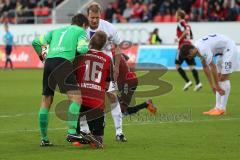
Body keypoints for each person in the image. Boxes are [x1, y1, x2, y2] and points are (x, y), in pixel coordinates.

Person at [32, 13, 89, 146]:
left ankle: (44, 139)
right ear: (84, 25)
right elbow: (82, 48)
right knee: (76, 99)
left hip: (49, 64)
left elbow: (35, 42)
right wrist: (84, 48)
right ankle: (72, 132)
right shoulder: (81, 31)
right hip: (63, 63)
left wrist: (41, 55)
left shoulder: (55, 30)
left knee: (46, 101)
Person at [81, 2, 126, 142]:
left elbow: (118, 48)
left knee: (112, 96)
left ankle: (119, 132)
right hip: (88, 68)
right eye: (91, 17)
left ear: (100, 15)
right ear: (87, 16)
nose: (94, 20)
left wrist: (117, 67)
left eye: (96, 17)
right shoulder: (81, 30)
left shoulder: (109, 28)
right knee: (84, 98)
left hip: (106, 68)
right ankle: (84, 130)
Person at [180, 33, 240, 116]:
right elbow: (205, 67)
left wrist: (217, 86)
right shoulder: (198, 49)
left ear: (191, 50)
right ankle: (217, 107)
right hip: (222, 52)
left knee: (223, 78)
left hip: (229, 49)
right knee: (219, 78)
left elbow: (212, 67)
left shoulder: (203, 49)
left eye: (189, 56)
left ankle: (222, 108)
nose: (190, 58)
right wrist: (212, 85)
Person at [75, 31, 112, 148]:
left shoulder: (81, 56)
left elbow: (73, 77)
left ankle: (78, 135)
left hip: (80, 100)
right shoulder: (107, 59)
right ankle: (96, 137)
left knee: (75, 108)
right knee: (99, 138)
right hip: (96, 102)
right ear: (103, 45)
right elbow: (107, 83)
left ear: (90, 41)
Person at [175, 9, 202, 91]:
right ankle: (198, 83)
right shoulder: (188, 25)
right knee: (191, 66)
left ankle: (187, 81)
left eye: (176, 15)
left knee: (177, 65)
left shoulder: (180, 23)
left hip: (183, 47)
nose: (175, 16)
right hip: (190, 46)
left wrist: (179, 39)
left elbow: (186, 32)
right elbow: (191, 37)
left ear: (179, 16)